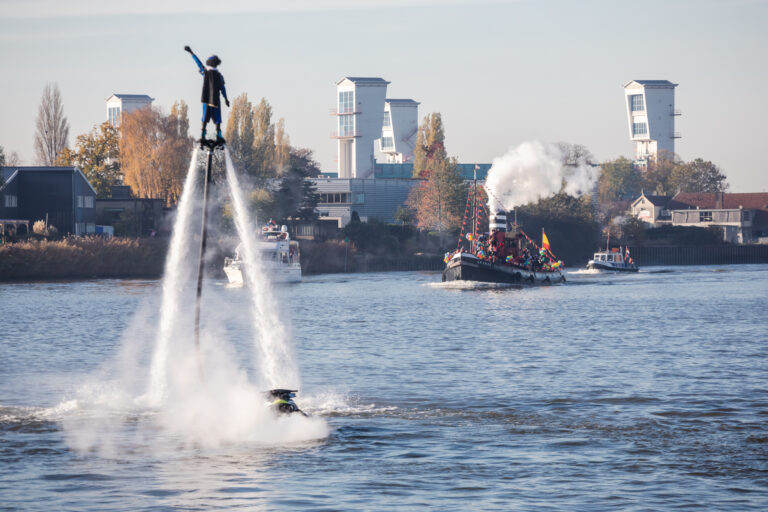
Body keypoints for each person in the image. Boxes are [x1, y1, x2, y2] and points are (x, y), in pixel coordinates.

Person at [184, 45, 230, 144]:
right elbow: (223, 88)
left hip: (206, 99)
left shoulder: (206, 72)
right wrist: (226, 98)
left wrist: (191, 53)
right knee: (217, 118)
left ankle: (203, 134)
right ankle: (218, 134)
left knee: (205, 117)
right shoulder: (219, 76)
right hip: (215, 100)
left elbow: (199, 64)